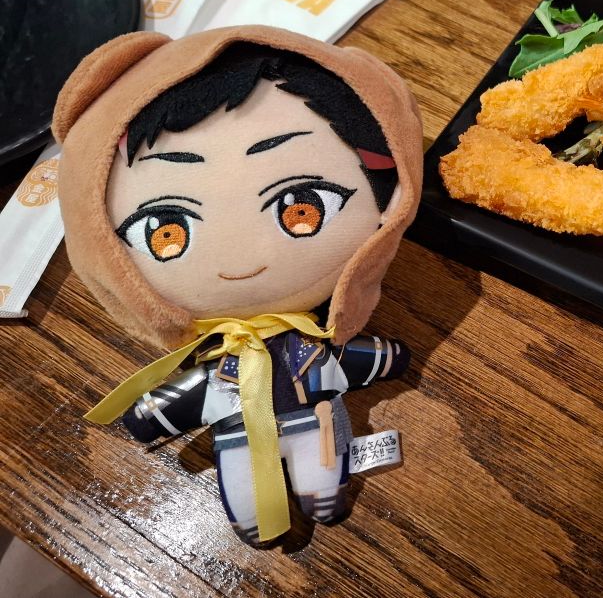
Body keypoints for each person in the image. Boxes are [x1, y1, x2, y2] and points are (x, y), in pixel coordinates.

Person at [53, 27, 423, 545]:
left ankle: (322, 498)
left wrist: (388, 357)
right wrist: (151, 416)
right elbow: (187, 397)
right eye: (167, 230)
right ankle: (257, 517)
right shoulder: (245, 366)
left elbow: (357, 359)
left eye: (303, 206)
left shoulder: (307, 352)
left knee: (322, 473)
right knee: (246, 483)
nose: (242, 259)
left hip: (317, 425)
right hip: (239, 437)